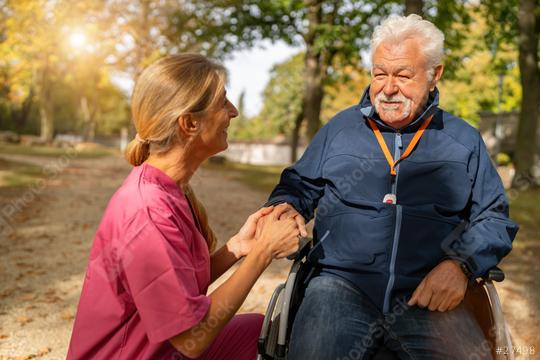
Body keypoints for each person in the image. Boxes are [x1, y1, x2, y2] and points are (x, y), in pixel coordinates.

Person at [266, 14, 518, 359]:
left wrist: (460, 265)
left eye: (402, 75)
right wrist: (286, 207)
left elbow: (494, 218)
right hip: (339, 284)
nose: (387, 87)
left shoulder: (463, 140)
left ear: (434, 75)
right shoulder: (340, 129)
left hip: (428, 292)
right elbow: (299, 185)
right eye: (379, 73)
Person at [67, 54, 301, 360]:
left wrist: (238, 248)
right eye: (223, 102)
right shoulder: (148, 211)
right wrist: (263, 253)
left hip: (160, 350)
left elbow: (176, 289)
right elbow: (191, 339)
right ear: (189, 123)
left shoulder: (168, 189)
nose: (234, 111)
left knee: (254, 331)